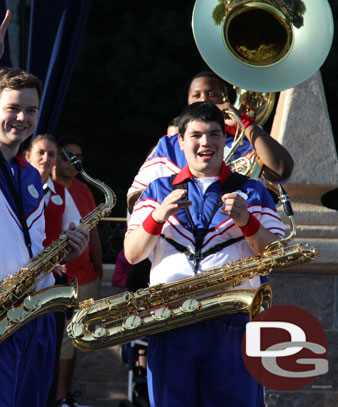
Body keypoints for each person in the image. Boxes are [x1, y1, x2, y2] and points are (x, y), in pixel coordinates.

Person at [0, 5, 89, 406]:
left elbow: (33, 244)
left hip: (36, 314)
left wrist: (65, 247)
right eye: (12, 108)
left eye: (31, 110)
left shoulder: (29, 173)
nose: (22, 118)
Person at [124, 101, 285, 407]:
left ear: (225, 140)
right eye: (196, 135)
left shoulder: (252, 190)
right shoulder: (157, 189)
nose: (205, 142)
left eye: (214, 134)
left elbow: (275, 256)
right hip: (170, 321)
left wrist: (247, 222)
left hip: (232, 322)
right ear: (180, 141)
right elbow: (132, 254)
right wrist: (156, 217)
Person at [126, 71, 294, 213]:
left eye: (212, 94)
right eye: (196, 95)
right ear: (189, 103)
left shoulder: (246, 140)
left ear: (225, 100)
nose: (204, 100)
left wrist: (245, 123)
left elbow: (282, 170)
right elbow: (133, 201)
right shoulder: (168, 145)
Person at [23, 134, 82, 406]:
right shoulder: (17, 185)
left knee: (49, 350)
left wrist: (68, 248)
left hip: (52, 284)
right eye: (41, 153)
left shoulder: (61, 193)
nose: (47, 159)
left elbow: (75, 229)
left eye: (52, 154)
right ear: (28, 157)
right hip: (22, 282)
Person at [51, 135, 103, 407]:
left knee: (74, 342)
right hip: (55, 283)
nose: (72, 162)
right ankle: (56, 398)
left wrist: (98, 268)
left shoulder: (84, 190)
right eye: (66, 155)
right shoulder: (44, 186)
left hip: (84, 278)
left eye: (77, 158)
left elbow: (92, 233)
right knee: (59, 345)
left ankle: (64, 397)